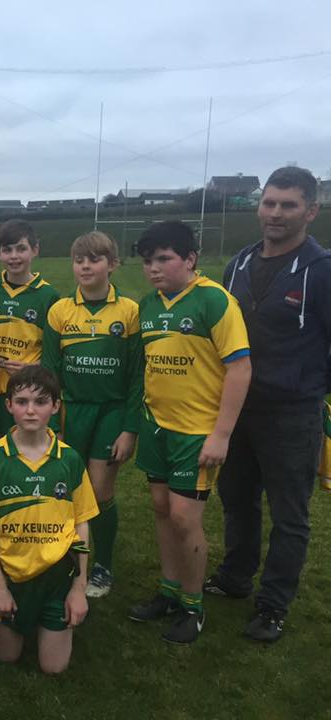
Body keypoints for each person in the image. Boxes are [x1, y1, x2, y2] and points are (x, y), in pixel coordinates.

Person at [207, 166, 331, 642]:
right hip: (235, 409)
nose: (276, 213)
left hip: (291, 415)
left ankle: (273, 604)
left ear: (311, 211)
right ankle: (236, 576)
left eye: (288, 205)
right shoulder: (239, 263)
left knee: (289, 514)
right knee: (236, 499)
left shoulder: (322, 270)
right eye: (269, 203)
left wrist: (308, 386)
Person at [128, 220, 251, 645]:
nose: (154, 268)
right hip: (157, 425)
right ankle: (169, 591)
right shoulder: (148, 305)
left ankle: (193, 606)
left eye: (164, 259)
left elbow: (240, 368)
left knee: (184, 517)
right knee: (162, 508)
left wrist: (221, 434)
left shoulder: (215, 301)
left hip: (196, 432)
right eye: (148, 261)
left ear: (190, 259)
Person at [0, 366, 97, 674]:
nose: (30, 410)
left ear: (56, 406)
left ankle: (53, 611)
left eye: (41, 402)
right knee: (6, 657)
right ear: (9, 405)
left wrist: (79, 587)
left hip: (58, 577)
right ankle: (12, 610)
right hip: (12, 576)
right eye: (22, 401)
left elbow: (81, 523)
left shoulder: (69, 460)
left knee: (54, 668)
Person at [41, 231, 141, 598]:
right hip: (70, 410)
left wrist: (130, 428)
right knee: (65, 489)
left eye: (94, 259)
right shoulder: (60, 311)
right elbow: (50, 372)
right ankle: (67, 558)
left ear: (112, 264)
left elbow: (137, 376)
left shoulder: (129, 311)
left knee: (98, 491)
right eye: (79, 260)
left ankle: (103, 566)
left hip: (110, 411)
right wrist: (52, 423)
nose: (85, 266)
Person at [0, 221, 59, 450]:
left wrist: (31, 368)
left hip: (28, 393)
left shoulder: (48, 295)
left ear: (35, 250)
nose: (14, 256)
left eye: (21, 249)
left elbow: (54, 352)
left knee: (26, 454)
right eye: (7, 250)